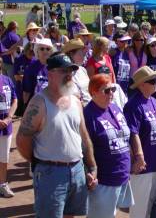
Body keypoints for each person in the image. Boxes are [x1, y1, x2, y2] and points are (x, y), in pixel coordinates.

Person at [16, 53, 98, 218]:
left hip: (77, 170)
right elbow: (22, 139)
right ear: (50, 74)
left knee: (71, 215)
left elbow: (84, 136)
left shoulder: (75, 101)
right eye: (63, 71)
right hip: (51, 174)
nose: (69, 75)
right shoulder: (39, 103)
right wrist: (38, 162)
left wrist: (92, 166)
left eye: (71, 70)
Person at [123, 66, 156, 218]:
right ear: (141, 84)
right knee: (140, 209)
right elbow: (133, 133)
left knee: (153, 207)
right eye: (152, 80)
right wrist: (139, 157)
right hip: (143, 166)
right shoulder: (133, 105)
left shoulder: (154, 101)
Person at [84, 74, 134, 218]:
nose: (111, 93)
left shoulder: (115, 108)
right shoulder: (88, 115)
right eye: (106, 90)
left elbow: (125, 137)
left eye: (113, 89)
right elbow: (85, 149)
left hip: (122, 175)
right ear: (93, 92)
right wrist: (89, 174)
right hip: (104, 181)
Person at [0, 57, 17, 198]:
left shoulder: (7, 80)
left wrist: (9, 117)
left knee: (4, 158)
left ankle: (3, 184)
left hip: (6, 126)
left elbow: (15, 100)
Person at [22, 38, 53, 106]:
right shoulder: (30, 68)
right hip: (35, 104)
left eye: (48, 49)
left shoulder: (55, 67)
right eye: (42, 49)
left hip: (51, 104)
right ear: (37, 51)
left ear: (51, 52)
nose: (45, 51)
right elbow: (27, 91)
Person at [63, 38, 91, 107]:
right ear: (71, 54)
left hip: (89, 109)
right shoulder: (63, 74)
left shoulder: (83, 70)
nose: (85, 54)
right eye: (82, 51)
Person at [13, 43, 35, 116]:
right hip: (21, 90)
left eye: (33, 54)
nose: (31, 56)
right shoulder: (19, 60)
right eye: (29, 54)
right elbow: (16, 76)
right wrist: (26, 77)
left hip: (32, 91)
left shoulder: (35, 60)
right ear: (25, 51)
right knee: (21, 113)